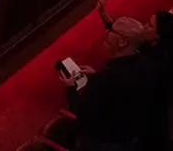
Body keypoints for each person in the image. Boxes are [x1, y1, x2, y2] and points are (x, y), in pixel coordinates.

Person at [68, 17, 164, 151]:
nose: (107, 32)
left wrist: (71, 89)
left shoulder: (110, 77)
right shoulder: (146, 65)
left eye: (112, 29)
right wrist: (97, 76)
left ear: (123, 42)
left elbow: (84, 114)